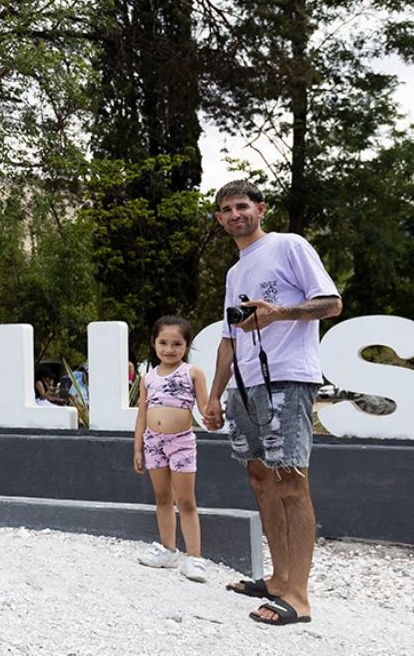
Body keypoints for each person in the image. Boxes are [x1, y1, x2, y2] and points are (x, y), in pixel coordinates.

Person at [204, 179, 341, 626]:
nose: (232, 215)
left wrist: (278, 312)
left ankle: (298, 598)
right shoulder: (234, 271)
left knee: (290, 481)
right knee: (260, 477)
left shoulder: (288, 245)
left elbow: (331, 303)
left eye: (241, 206)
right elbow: (227, 339)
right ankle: (279, 579)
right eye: (224, 210)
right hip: (246, 385)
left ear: (260, 208)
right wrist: (214, 396)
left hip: (287, 376)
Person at [133, 315, 212, 583]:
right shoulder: (147, 378)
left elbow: (203, 408)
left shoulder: (192, 373)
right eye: (163, 342)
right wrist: (137, 448)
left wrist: (214, 415)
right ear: (154, 344)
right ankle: (168, 549)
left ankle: (195, 557)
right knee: (162, 497)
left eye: (176, 343)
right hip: (153, 443)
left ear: (186, 345)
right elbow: (142, 415)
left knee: (186, 500)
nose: (169, 349)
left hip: (181, 443)